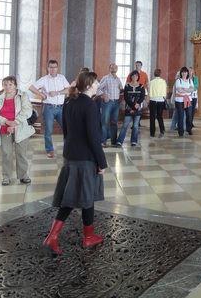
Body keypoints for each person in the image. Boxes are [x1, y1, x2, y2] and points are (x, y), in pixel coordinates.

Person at [43, 71, 108, 255]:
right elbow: (93, 137)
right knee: (87, 197)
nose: (98, 85)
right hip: (85, 158)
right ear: (88, 85)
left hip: (71, 155)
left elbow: (66, 130)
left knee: (71, 196)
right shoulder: (89, 105)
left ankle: (53, 236)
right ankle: (87, 237)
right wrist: (102, 162)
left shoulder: (69, 101)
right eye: (96, 82)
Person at [0, 76, 35, 186]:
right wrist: (6, 122)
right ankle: (6, 177)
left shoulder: (23, 96)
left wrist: (15, 122)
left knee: (21, 153)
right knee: (6, 154)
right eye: (5, 84)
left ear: (15, 85)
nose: (8, 87)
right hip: (4, 128)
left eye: (10, 84)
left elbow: (27, 110)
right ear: (2, 86)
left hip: (20, 128)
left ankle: (23, 176)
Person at [29, 59, 70, 158]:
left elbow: (69, 89)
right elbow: (31, 87)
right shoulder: (44, 79)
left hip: (61, 108)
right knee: (48, 130)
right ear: (48, 68)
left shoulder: (62, 78)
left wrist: (58, 92)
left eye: (55, 67)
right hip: (48, 108)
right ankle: (50, 150)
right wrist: (41, 94)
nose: (53, 69)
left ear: (57, 68)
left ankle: (68, 149)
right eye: (51, 67)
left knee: (67, 128)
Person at [116, 70, 146, 147]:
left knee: (135, 125)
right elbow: (126, 97)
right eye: (133, 76)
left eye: (136, 76)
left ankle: (134, 141)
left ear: (138, 77)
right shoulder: (127, 86)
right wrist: (133, 106)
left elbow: (142, 97)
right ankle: (119, 141)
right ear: (131, 77)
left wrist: (137, 104)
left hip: (138, 107)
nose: (134, 77)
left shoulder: (141, 86)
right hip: (129, 107)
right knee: (125, 125)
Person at [97, 63, 123, 146]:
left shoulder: (118, 79)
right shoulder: (106, 78)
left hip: (116, 103)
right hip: (107, 103)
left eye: (115, 67)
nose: (114, 69)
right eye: (112, 67)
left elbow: (121, 89)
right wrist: (103, 95)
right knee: (105, 122)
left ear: (117, 69)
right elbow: (98, 89)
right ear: (109, 69)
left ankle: (113, 141)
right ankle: (103, 141)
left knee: (114, 122)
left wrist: (121, 96)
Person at [174, 67, 194, 137]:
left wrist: (184, 89)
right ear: (181, 73)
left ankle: (189, 129)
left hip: (188, 100)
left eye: (185, 72)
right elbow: (179, 90)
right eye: (182, 72)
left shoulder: (190, 80)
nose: (184, 73)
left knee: (189, 115)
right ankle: (180, 131)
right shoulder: (178, 80)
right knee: (181, 116)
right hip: (179, 101)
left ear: (187, 73)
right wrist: (187, 90)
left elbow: (192, 89)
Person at [148, 68, 167, 138]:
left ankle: (152, 133)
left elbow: (149, 92)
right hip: (161, 100)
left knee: (152, 117)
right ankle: (162, 130)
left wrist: (148, 101)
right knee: (160, 116)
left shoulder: (151, 82)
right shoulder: (163, 81)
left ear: (154, 74)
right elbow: (165, 93)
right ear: (160, 74)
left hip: (153, 100)